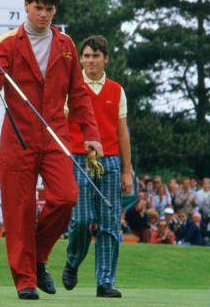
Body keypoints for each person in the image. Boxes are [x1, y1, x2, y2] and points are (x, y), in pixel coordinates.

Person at [0, 0, 102, 301]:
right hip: (18, 138)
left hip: (56, 135)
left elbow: (79, 94)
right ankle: (25, 280)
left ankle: (39, 257)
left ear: (56, 10)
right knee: (19, 212)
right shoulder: (6, 44)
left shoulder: (67, 46)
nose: (43, 15)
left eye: (49, 9)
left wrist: (92, 136)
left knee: (67, 197)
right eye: (38, 8)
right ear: (26, 6)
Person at [61, 35, 131, 298]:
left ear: (106, 58)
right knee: (81, 219)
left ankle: (105, 282)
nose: (90, 61)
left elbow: (122, 132)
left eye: (96, 56)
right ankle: (73, 261)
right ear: (80, 58)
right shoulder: (72, 87)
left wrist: (127, 169)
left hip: (110, 158)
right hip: (79, 157)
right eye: (87, 56)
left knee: (110, 223)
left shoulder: (116, 90)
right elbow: (63, 124)